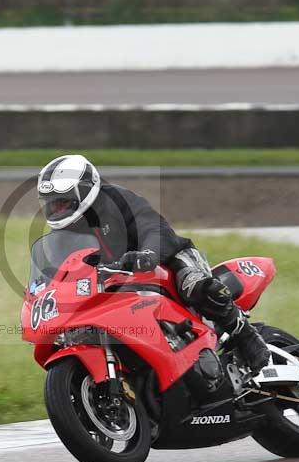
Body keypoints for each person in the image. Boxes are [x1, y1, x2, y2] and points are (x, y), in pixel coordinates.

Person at [36, 154, 271, 374]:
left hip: (165, 261)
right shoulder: (61, 236)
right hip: (117, 285)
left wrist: (148, 253)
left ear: (84, 191)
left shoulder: (116, 201)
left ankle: (247, 337)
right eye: (51, 203)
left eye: (63, 202)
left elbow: (153, 227)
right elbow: (62, 271)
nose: (56, 209)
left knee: (195, 286)